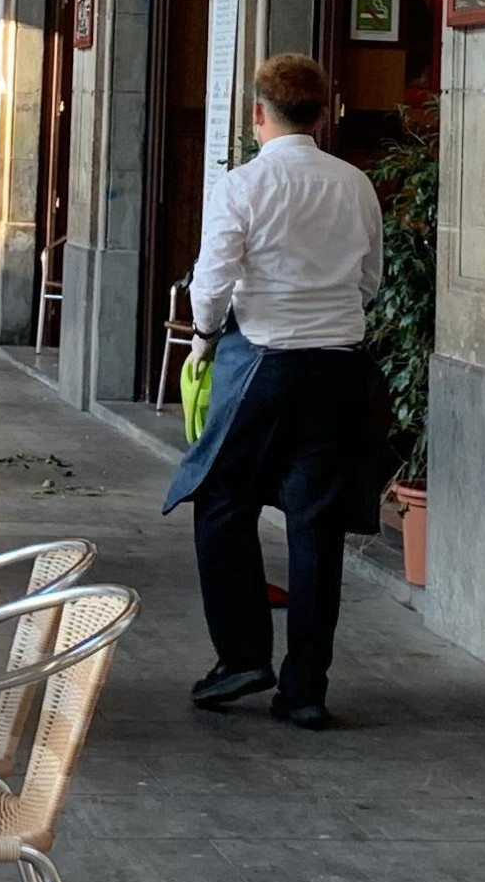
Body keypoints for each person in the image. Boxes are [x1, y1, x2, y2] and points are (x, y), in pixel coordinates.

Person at [164, 51, 388, 730]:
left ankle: (241, 656)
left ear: (258, 114)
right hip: (338, 366)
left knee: (221, 499)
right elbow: (370, 281)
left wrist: (204, 338)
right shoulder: (356, 186)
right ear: (323, 114)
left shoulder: (243, 186)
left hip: (263, 361)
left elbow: (213, 281)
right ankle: (306, 686)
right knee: (315, 525)